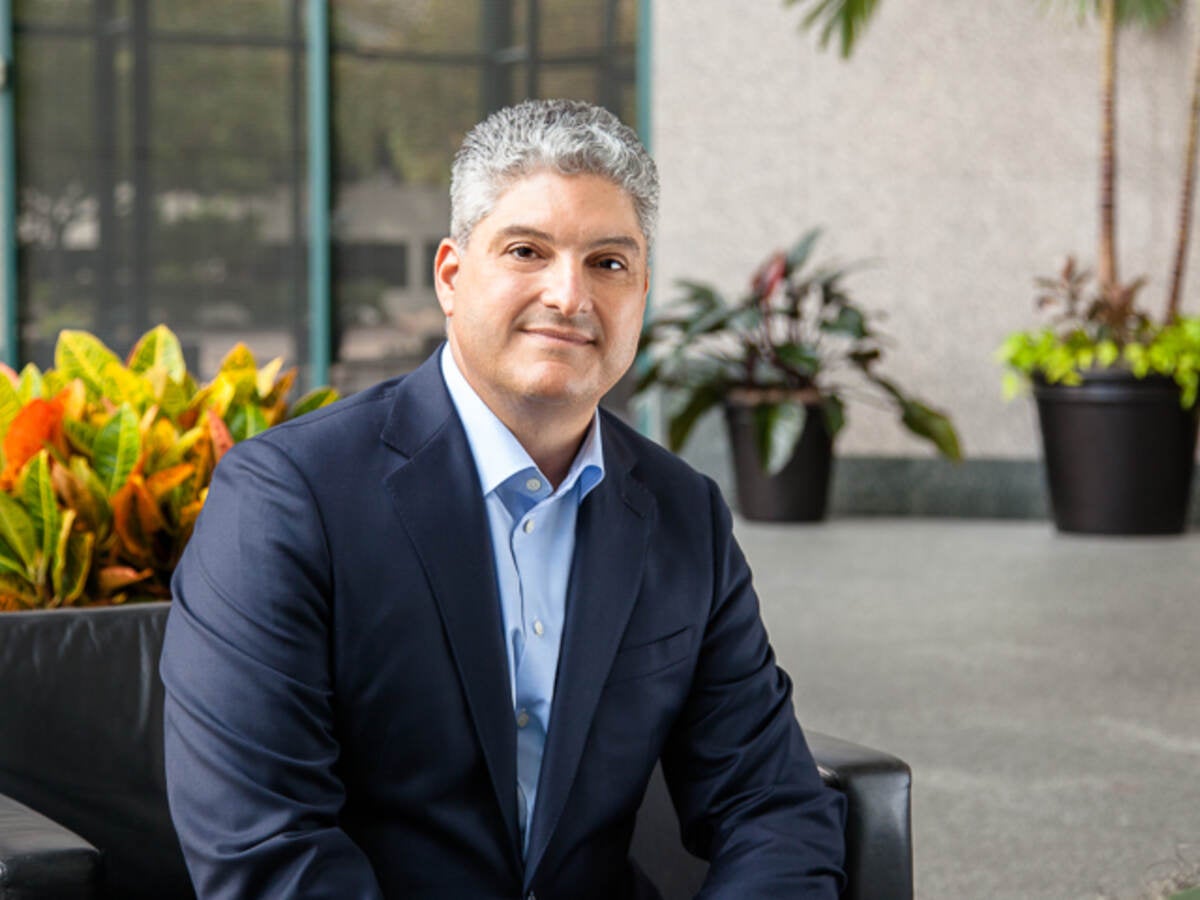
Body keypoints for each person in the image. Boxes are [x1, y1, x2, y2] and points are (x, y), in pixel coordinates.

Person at [161, 98, 846, 899]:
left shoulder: (681, 511)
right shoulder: (287, 499)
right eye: (527, 250)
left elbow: (770, 804)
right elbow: (268, 852)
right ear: (452, 276)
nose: (569, 295)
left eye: (609, 263)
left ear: (642, 292)